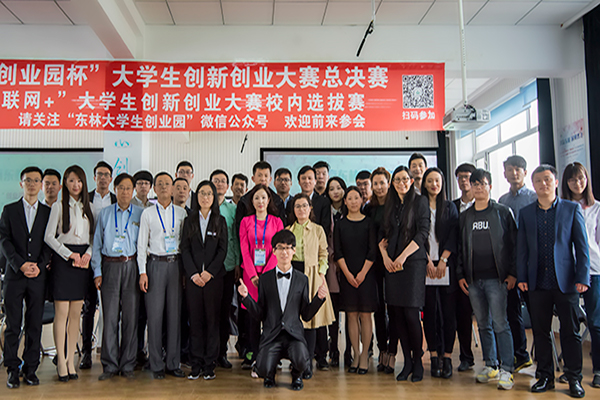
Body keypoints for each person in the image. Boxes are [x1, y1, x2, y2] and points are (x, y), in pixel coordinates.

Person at [517, 164, 590, 398]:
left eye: (547, 179)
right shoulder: (526, 213)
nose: (543, 184)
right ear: (533, 184)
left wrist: (582, 277)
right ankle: (545, 377)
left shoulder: (571, 209)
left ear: (556, 182)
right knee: (540, 332)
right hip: (537, 282)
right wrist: (522, 277)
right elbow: (522, 249)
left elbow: (582, 247)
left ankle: (574, 378)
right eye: (538, 181)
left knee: (571, 332)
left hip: (566, 282)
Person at [238, 229, 327, 391]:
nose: (284, 252)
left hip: (294, 336)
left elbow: (306, 315)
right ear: (274, 251)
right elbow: (260, 314)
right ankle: (270, 374)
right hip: (272, 335)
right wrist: (246, 297)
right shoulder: (265, 279)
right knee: (262, 367)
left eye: (288, 248)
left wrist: (318, 299)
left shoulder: (302, 279)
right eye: (280, 248)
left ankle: (296, 375)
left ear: (294, 251)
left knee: (303, 361)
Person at [456, 168, 516, 390]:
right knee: (483, 324)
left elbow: (514, 245)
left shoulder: (502, 212)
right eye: (475, 184)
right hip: (473, 280)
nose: (479, 188)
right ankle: (491, 364)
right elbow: (461, 248)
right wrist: (461, 274)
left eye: (483, 183)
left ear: (490, 186)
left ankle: (507, 369)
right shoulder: (465, 217)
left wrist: (513, 273)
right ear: (470, 188)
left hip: (497, 279)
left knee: (500, 324)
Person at [0, 167, 51, 388]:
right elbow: (4, 240)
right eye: (28, 180)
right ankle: (12, 368)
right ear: (21, 184)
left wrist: (39, 266)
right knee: (13, 324)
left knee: (34, 324)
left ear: (41, 185)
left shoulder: (48, 212)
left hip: (37, 277)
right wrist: (20, 264)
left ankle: (30, 369)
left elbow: (50, 242)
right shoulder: (9, 210)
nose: (32, 184)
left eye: (36, 180)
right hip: (15, 275)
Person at [44, 165, 95, 382]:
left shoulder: (89, 208)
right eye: (72, 180)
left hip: (82, 262)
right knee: (62, 314)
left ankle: (71, 361)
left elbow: (93, 238)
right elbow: (49, 237)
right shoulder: (58, 206)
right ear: (65, 183)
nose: (76, 185)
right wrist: (69, 255)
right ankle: (61, 362)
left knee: (76, 314)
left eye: (79, 181)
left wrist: (87, 255)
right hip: (64, 262)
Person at [379, 166, 429, 382]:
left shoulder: (420, 202)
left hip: (412, 264)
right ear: (393, 183)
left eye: (405, 179)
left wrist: (403, 257)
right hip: (392, 264)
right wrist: (385, 256)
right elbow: (384, 235)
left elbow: (423, 233)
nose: (402, 183)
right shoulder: (390, 204)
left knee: (411, 314)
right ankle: (407, 361)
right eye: (397, 179)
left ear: (411, 181)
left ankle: (418, 361)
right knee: (397, 314)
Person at [91, 173, 143, 381]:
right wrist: (97, 272)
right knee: (110, 317)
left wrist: (142, 272)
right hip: (110, 266)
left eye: (128, 188)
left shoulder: (140, 214)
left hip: (132, 266)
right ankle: (110, 364)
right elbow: (96, 244)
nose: (125, 192)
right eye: (121, 188)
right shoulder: (105, 213)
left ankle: (128, 363)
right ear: (115, 189)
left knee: (131, 317)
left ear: (133, 191)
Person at [137, 172, 187, 379]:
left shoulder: (182, 213)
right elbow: (141, 245)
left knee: (175, 316)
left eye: (168, 183)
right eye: (160, 184)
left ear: (173, 188)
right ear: (154, 189)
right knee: (155, 316)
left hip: (176, 266)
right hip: (155, 265)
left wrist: (185, 272)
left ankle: (173, 363)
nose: (164, 187)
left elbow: (186, 245)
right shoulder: (147, 214)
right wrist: (142, 272)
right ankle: (156, 363)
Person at [181, 181, 228, 380]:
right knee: (196, 322)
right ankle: (196, 364)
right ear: (196, 196)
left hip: (213, 280)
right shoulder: (189, 220)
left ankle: (210, 364)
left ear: (214, 197)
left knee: (212, 321)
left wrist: (209, 272)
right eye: (202, 193)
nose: (205, 197)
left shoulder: (220, 220)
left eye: (209, 193)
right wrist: (193, 273)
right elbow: (184, 249)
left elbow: (223, 250)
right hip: (193, 280)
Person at [287, 193, 336, 377]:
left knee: (312, 322)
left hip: (314, 275)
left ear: (310, 208)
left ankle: (307, 363)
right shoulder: (288, 230)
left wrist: (321, 274)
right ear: (293, 210)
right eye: (297, 206)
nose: (301, 209)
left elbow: (324, 254)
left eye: (304, 206)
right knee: (295, 321)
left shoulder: (318, 230)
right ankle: (296, 361)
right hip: (294, 275)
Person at [562, 162, 600, 388]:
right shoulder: (562, 208)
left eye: (581, 178)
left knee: (595, 322)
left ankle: (598, 369)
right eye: (572, 179)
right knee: (570, 324)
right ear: (565, 183)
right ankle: (571, 370)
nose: (577, 183)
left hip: (594, 271)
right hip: (568, 272)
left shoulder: (597, 208)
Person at [239, 184, 285, 369]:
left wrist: (265, 275)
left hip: (271, 275)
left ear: (268, 200)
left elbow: (278, 249)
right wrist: (252, 275)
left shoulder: (277, 222)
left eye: (263, 198)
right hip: (250, 277)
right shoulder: (245, 221)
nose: (260, 201)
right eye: (256, 198)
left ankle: (271, 355)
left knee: (270, 317)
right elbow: (244, 250)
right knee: (252, 318)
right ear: (252, 201)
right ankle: (254, 355)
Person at [498, 155, 536, 372]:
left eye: (518, 169)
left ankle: (544, 359)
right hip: (510, 265)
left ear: (525, 172)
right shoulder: (502, 201)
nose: (513, 173)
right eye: (510, 169)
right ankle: (520, 354)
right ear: (504, 173)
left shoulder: (534, 198)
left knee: (536, 313)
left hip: (531, 264)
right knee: (512, 312)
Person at [420, 168, 459, 379]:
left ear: (442, 183)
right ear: (424, 184)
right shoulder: (419, 206)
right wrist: (427, 260)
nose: (434, 184)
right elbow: (416, 234)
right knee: (430, 313)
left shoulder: (450, 206)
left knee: (448, 313)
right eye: (430, 181)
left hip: (446, 264)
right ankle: (434, 355)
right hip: (425, 264)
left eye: (437, 180)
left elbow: (454, 234)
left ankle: (448, 357)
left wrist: (443, 260)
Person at [334, 186, 377, 374]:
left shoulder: (369, 223)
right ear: (345, 202)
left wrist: (362, 273)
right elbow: (338, 252)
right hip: (347, 275)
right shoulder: (340, 224)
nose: (353, 201)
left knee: (365, 315)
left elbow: (372, 251)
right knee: (351, 315)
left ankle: (365, 354)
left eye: (356, 198)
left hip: (366, 275)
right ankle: (355, 354)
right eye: (349, 198)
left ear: (362, 200)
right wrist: (348, 274)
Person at [82, 160, 117, 370]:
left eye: (106, 175)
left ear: (111, 178)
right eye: (99, 174)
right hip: (87, 259)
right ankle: (86, 351)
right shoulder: (84, 199)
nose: (103, 178)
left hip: (111, 260)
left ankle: (110, 351)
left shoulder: (116, 200)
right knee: (89, 306)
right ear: (94, 177)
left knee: (112, 309)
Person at [210, 169, 241, 369]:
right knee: (208, 311)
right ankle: (208, 352)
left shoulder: (233, 209)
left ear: (228, 186)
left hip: (228, 266)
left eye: (223, 181)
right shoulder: (205, 206)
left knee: (224, 311)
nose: (220, 184)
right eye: (216, 181)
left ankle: (221, 352)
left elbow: (236, 237)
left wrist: (237, 262)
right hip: (208, 268)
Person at [364, 167, 391, 373]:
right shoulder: (369, 209)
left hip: (394, 263)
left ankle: (392, 351)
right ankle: (382, 349)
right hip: (375, 264)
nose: (379, 187)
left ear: (388, 184)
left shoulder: (396, 207)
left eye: (382, 183)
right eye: (376, 184)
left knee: (395, 308)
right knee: (379, 309)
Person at [452, 162, 476, 372]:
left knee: (490, 318)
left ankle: (494, 359)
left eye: (467, 177)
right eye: (460, 177)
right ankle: (466, 357)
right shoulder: (452, 207)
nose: (463, 181)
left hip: (485, 270)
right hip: (460, 269)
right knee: (462, 315)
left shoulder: (489, 206)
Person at [324, 176, 348, 367]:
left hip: (349, 264)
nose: (335, 192)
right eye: (331, 189)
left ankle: (350, 350)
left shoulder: (351, 210)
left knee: (350, 309)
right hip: (330, 264)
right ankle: (334, 348)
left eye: (338, 188)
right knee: (333, 308)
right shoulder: (325, 212)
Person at [131, 170, 153, 366]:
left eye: (146, 183)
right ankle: (135, 351)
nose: (143, 186)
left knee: (147, 310)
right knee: (134, 311)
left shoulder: (153, 208)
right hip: (131, 263)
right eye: (140, 183)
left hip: (150, 263)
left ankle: (145, 350)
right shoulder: (129, 205)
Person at [235, 161, 286, 229]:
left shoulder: (278, 201)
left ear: (270, 179)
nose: (263, 179)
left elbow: (282, 226)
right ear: (253, 178)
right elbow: (239, 227)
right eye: (259, 175)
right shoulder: (244, 201)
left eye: (266, 176)